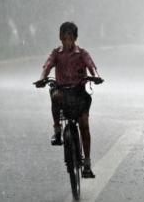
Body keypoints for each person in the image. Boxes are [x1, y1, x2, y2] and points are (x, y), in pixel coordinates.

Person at [34, 22, 102, 178]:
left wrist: (96, 77)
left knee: (84, 125)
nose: (67, 42)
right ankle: (57, 131)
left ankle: (87, 164)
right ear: (60, 37)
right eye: (64, 38)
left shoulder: (82, 53)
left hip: (79, 93)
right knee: (54, 94)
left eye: (70, 38)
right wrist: (41, 79)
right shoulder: (56, 53)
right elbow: (47, 66)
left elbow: (92, 67)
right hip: (63, 93)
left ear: (75, 38)